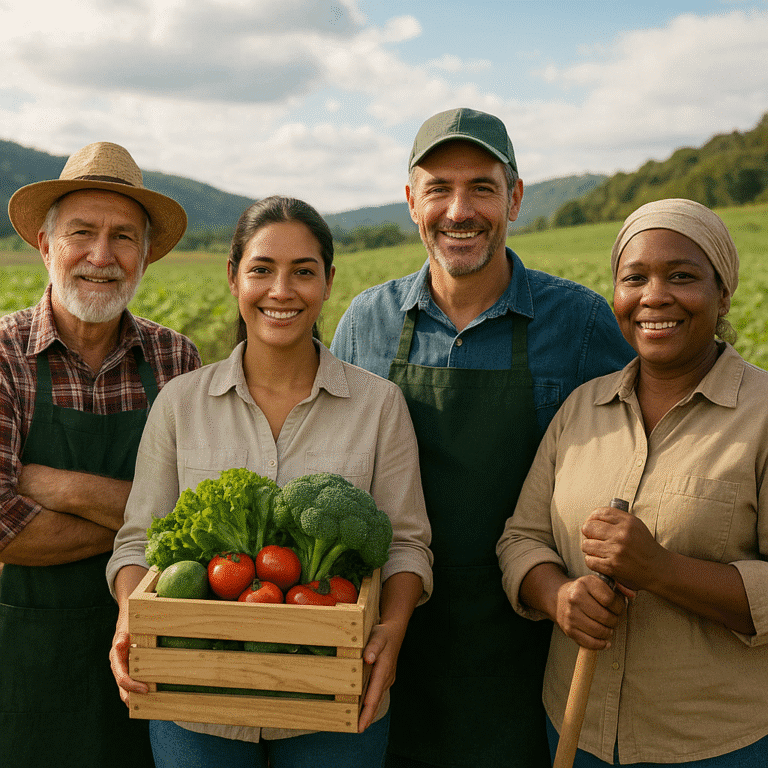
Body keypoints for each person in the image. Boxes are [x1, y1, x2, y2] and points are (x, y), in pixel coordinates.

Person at [330, 107, 635, 768]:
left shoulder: (578, 322)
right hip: (389, 631)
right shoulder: (366, 323)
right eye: (439, 188)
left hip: (531, 631)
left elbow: (646, 448)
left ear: (515, 198)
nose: (459, 209)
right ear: (412, 201)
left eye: (483, 188)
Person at [107, 195, 433, 768]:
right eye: (261, 269)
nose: (281, 291)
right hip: (198, 705)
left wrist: (394, 627)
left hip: (336, 696)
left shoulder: (379, 406)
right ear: (234, 277)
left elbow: (407, 544)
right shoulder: (182, 404)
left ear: (329, 282)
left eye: (303, 272)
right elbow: (138, 540)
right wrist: (131, 615)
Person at [497, 198, 768, 766]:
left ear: (723, 293)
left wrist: (661, 570)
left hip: (715, 744)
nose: (654, 296)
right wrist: (559, 596)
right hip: (575, 730)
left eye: (682, 277)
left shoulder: (761, 416)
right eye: (634, 278)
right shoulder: (580, 410)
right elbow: (521, 539)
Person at [0, 142, 201, 767]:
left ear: (143, 255)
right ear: (45, 245)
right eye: (82, 232)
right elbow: (3, 532)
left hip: (155, 658)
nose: (101, 255)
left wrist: (58, 487)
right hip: (28, 665)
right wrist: (148, 523)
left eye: (123, 238)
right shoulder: (4, 356)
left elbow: (199, 524)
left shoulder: (176, 361)